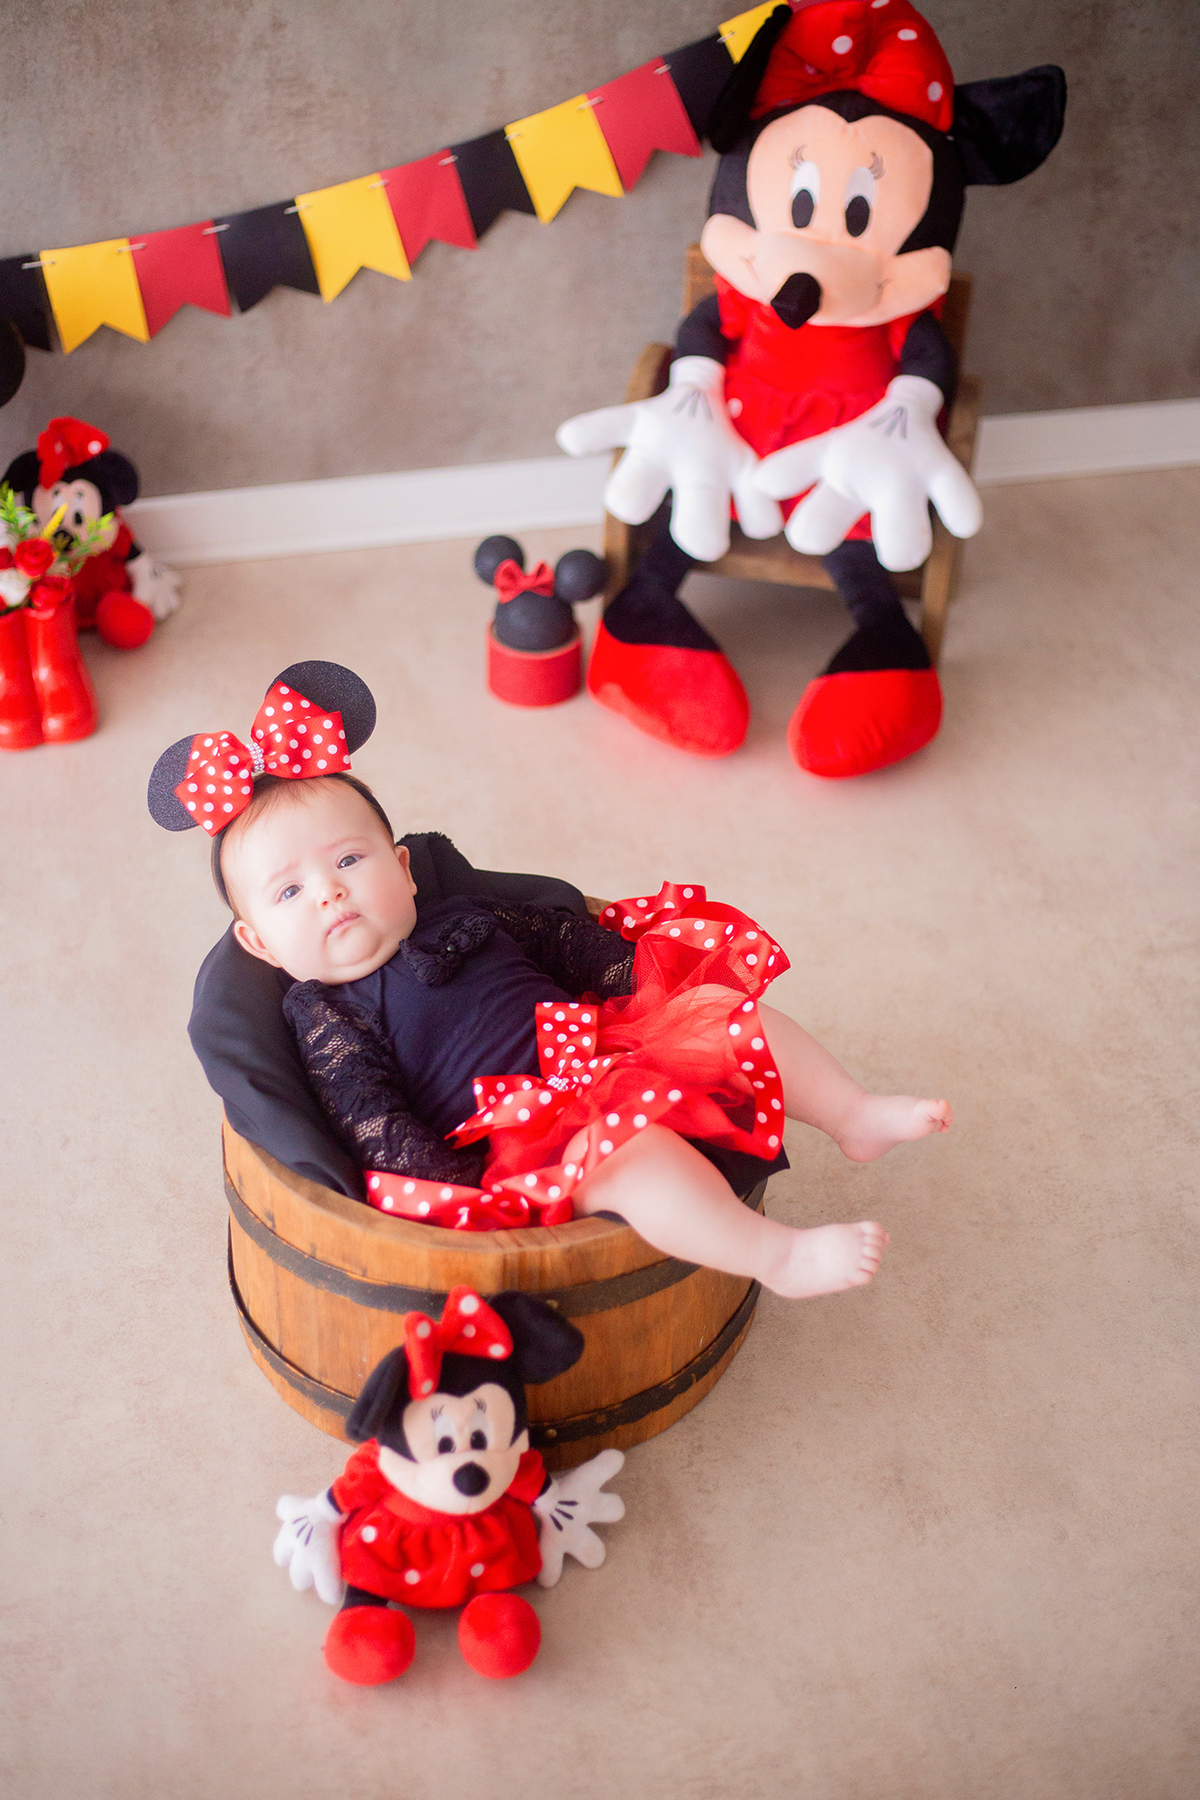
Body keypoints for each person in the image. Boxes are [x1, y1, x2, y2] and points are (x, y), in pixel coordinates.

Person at [218, 770, 951, 1303]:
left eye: (349, 859)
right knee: (631, 1158)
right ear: (260, 944)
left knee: (723, 1016)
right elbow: (368, 1117)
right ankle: (775, 1257)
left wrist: (644, 979)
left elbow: (563, 941)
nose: (330, 891)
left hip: (605, 1042)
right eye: (290, 891)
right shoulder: (328, 1013)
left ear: (406, 871)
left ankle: (852, 1114)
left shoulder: (465, 913)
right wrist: (458, 1189)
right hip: (529, 1130)